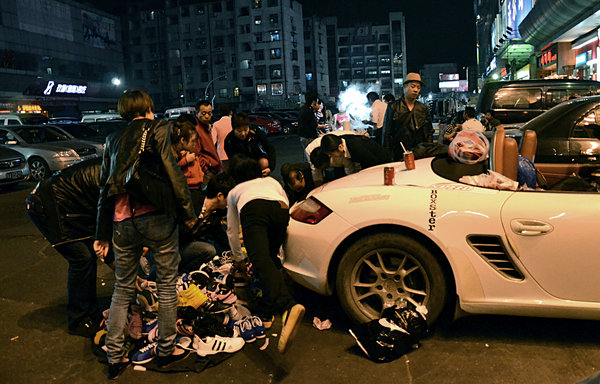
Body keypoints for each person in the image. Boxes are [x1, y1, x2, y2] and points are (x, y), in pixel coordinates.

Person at [93, 90, 197, 379]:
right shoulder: (158, 128)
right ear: (148, 107)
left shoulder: (113, 139)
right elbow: (172, 171)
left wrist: (100, 233)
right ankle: (166, 351)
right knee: (165, 286)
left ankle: (115, 357)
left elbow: (105, 187)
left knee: (122, 288)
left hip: (121, 222)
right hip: (156, 218)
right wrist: (188, 212)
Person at [226, 155, 305, 354]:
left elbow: (232, 230)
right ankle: (267, 312)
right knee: (269, 260)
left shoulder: (235, 191)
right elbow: (285, 202)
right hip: (280, 210)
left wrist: (239, 259)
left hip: (254, 210)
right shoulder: (271, 181)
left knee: (260, 260)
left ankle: (288, 307)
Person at [25, 157, 112, 337]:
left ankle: (90, 312)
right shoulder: (117, 177)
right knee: (82, 258)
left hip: (70, 206)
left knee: (89, 256)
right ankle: (78, 320)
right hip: (48, 204)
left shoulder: (117, 168)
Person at [383, 72, 433, 161]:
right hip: (399, 153)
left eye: (418, 87)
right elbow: (386, 133)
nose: (416, 90)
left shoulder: (423, 108)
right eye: (413, 86)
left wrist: (428, 152)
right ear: (405, 86)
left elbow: (429, 132)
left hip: (419, 153)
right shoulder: (393, 107)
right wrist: (387, 156)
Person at [224, 112, 276, 176]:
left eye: (245, 130)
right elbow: (232, 161)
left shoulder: (255, 131)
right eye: (239, 131)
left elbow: (269, 148)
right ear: (233, 129)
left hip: (257, 160)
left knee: (264, 162)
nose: (243, 134)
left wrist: (270, 167)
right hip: (241, 165)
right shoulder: (229, 140)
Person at [172, 117, 204, 212]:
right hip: (188, 191)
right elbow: (174, 169)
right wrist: (185, 160)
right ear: (182, 140)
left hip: (198, 189)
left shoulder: (192, 153)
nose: (195, 144)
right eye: (193, 141)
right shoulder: (179, 155)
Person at [320, 133, 391, 172]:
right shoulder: (341, 140)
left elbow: (372, 162)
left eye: (332, 154)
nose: (331, 156)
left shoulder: (355, 148)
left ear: (340, 147)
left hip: (382, 163)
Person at [194, 100, 223, 177]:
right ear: (197, 113)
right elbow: (196, 153)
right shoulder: (196, 130)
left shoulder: (207, 127)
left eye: (209, 113)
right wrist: (206, 168)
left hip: (214, 169)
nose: (207, 116)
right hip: (208, 171)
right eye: (203, 113)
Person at [212, 104, 233, 171]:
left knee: (225, 174)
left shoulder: (216, 124)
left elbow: (213, 141)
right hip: (234, 153)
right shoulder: (234, 122)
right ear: (230, 112)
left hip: (222, 154)